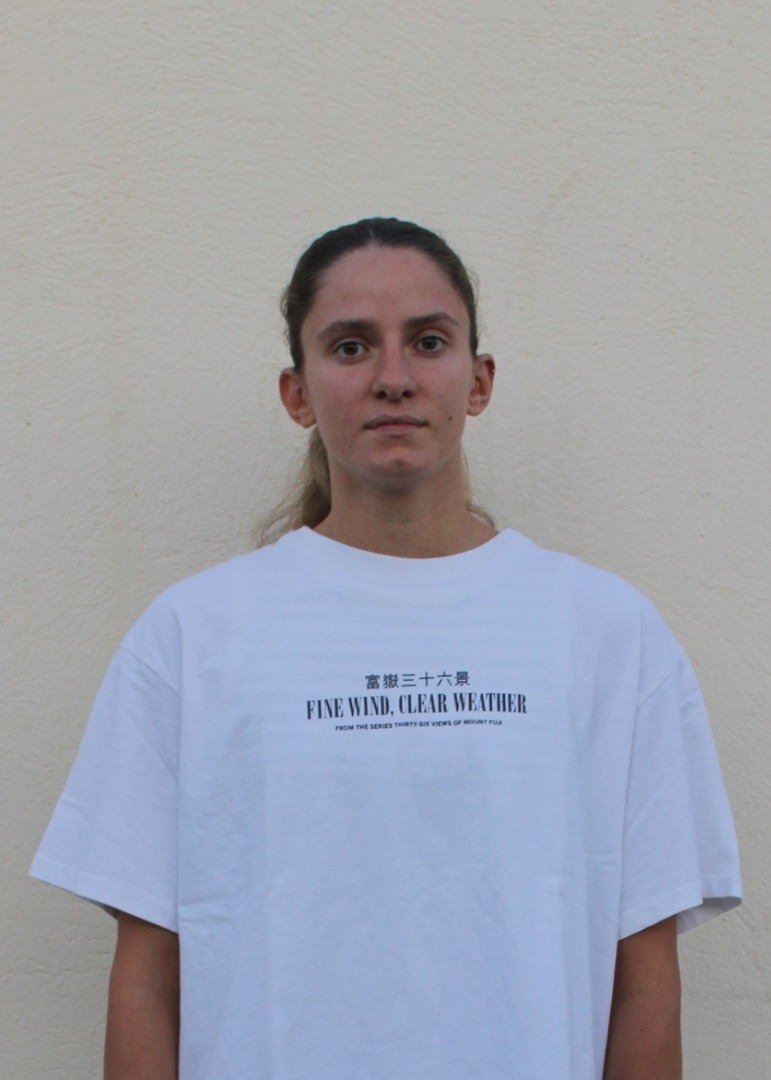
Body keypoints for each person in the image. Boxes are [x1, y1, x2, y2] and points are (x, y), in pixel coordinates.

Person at [31, 217, 741, 1080]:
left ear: (478, 380)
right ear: (297, 393)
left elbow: (644, 976)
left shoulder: (604, 632)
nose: (394, 377)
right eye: (351, 346)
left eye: (428, 342)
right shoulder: (192, 636)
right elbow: (148, 978)